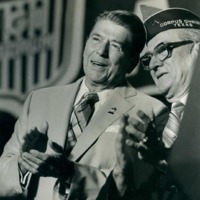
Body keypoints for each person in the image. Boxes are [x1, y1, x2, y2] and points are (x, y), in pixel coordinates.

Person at [0, 10, 168, 200]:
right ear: (85, 44)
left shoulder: (151, 111)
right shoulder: (38, 100)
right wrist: (24, 165)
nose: (101, 51)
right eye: (96, 39)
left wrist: (71, 173)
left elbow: (142, 189)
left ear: (132, 62)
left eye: (115, 46)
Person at [109, 5, 200, 200]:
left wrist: (165, 160)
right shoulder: (150, 134)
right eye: (148, 59)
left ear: (196, 48)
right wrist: (122, 179)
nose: (153, 65)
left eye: (163, 50)